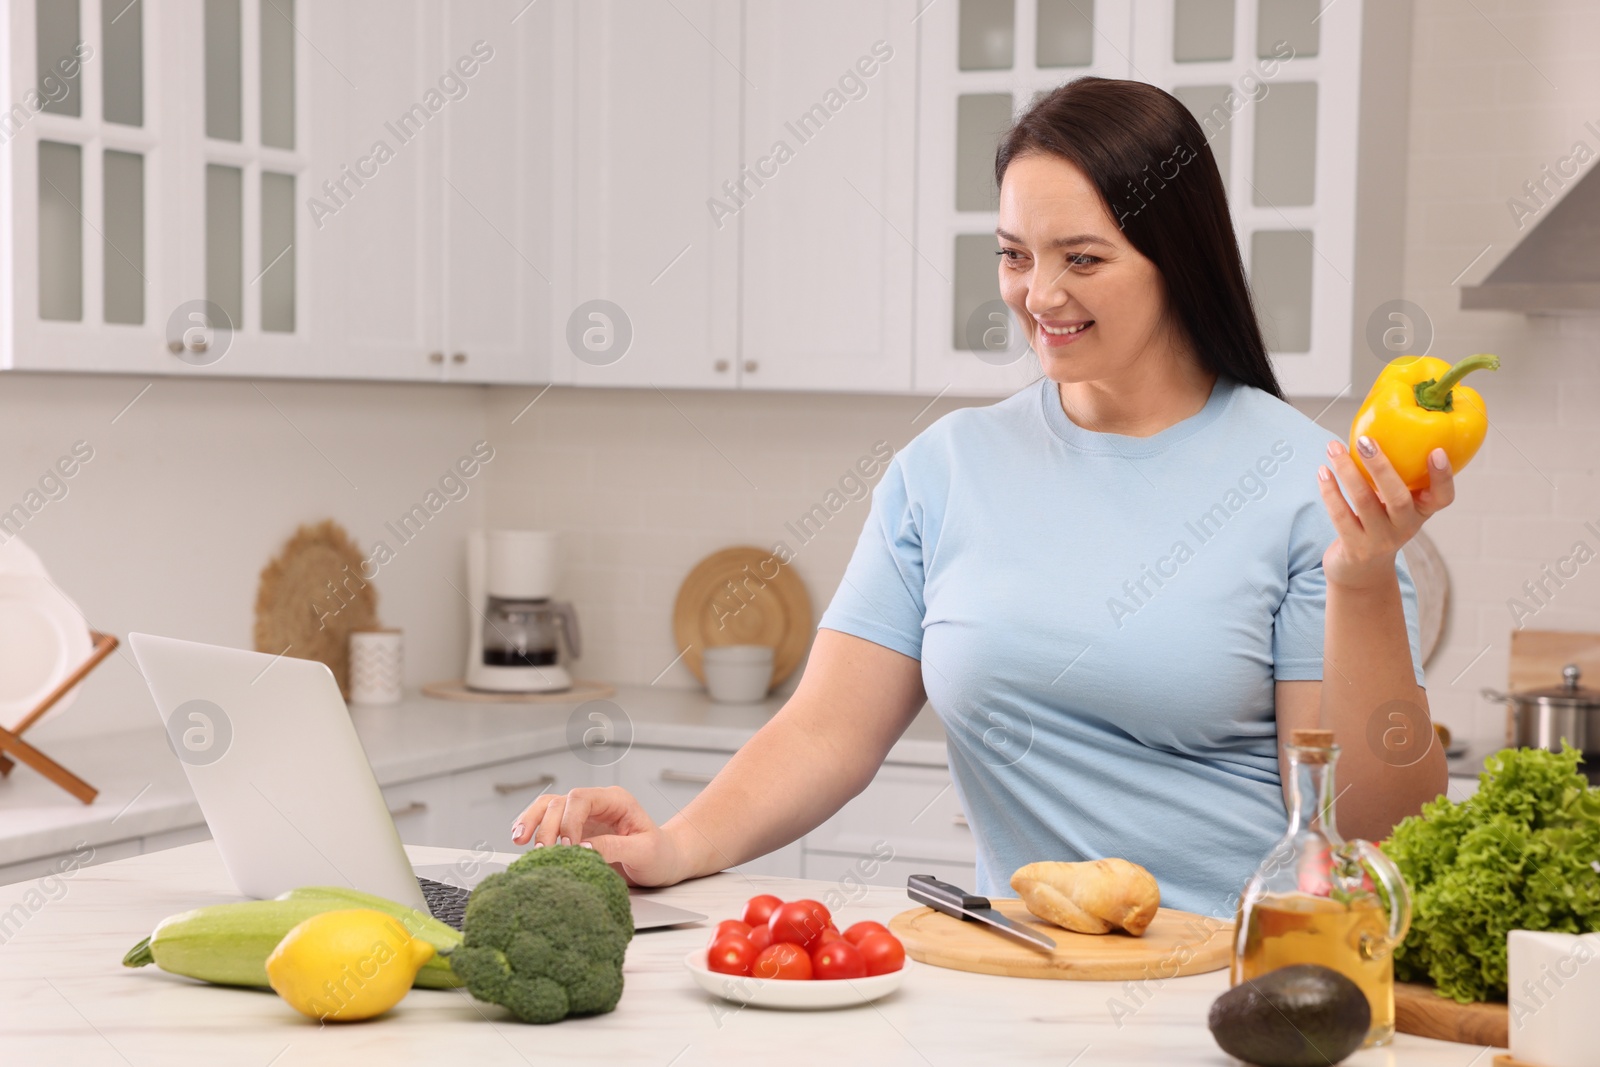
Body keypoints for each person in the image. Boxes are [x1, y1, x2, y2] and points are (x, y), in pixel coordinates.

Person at [510, 77, 1451, 916]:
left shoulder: (1305, 482)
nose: (1038, 293)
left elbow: (1366, 830)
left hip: (1235, 986)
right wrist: (675, 844)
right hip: (1018, 979)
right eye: (1014, 254)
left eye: (1082, 258)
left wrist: (1364, 584)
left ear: (1178, 257)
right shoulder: (947, 467)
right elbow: (826, 731)